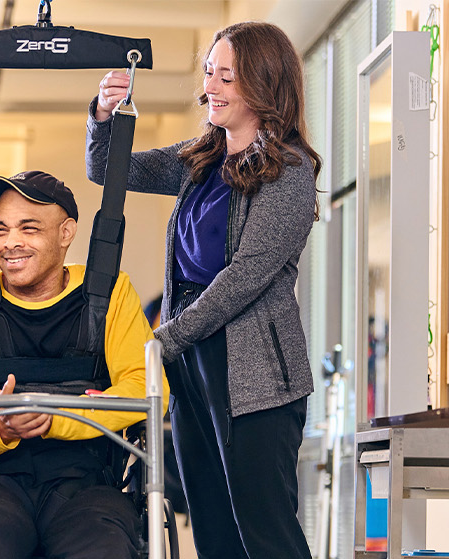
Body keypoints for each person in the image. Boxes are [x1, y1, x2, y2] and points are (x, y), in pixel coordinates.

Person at [87, 21, 321, 559]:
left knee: (264, 534)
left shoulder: (289, 171)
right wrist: (105, 114)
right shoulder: (201, 161)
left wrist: (162, 337)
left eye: (226, 76)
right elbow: (106, 168)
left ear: (263, 84)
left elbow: (244, 278)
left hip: (254, 373)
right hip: (191, 359)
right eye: (209, 72)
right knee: (213, 529)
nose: (209, 87)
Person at [0, 170, 169, 559]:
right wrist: (1, 428)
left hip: (88, 487)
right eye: (1, 229)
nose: (10, 243)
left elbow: (146, 387)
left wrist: (57, 417)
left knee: (104, 550)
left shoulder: (110, 294)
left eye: (29, 228)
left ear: (66, 233)